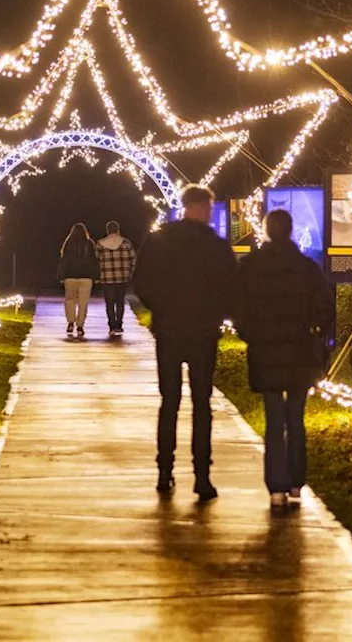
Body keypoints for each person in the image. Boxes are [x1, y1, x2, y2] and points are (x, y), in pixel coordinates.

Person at [133, 186, 237, 501]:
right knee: (202, 405)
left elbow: (142, 282)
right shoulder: (216, 245)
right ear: (200, 206)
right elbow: (230, 286)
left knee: (170, 403)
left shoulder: (160, 240)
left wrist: (161, 308)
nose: (210, 212)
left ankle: (165, 471)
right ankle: (202, 476)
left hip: (169, 331)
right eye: (209, 207)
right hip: (203, 333)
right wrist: (217, 313)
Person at [235, 209, 333, 508]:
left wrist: (250, 334)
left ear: (265, 231)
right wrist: (315, 333)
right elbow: (325, 307)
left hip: (266, 352)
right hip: (300, 352)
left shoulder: (250, 267)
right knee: (296, 418)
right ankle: (295, 483)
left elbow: (239, 307)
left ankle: (275, 484)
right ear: (291, 231)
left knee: (274, 419)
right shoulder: (307, 268)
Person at [96, 221, 138, 337]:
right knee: (120, 302)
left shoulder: (100, 244)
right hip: (122, 277)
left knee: (109, 303)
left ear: (107, 230)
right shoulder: (126, 243)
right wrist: (131, 273)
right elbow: (133, 259)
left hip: (107, 278)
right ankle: (119, 325)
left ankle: (112, 326)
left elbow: (96, 261)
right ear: (118, 230)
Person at [58, 223, 99, 339]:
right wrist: (95, 275)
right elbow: (94, 260)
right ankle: (80, 325)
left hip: (70, 276)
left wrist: (61, 275)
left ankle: (70, 322)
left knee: (70, 299)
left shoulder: (68, 243)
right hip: (86, 277)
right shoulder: (89, 244)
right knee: (83, 302)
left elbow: (64, 260)